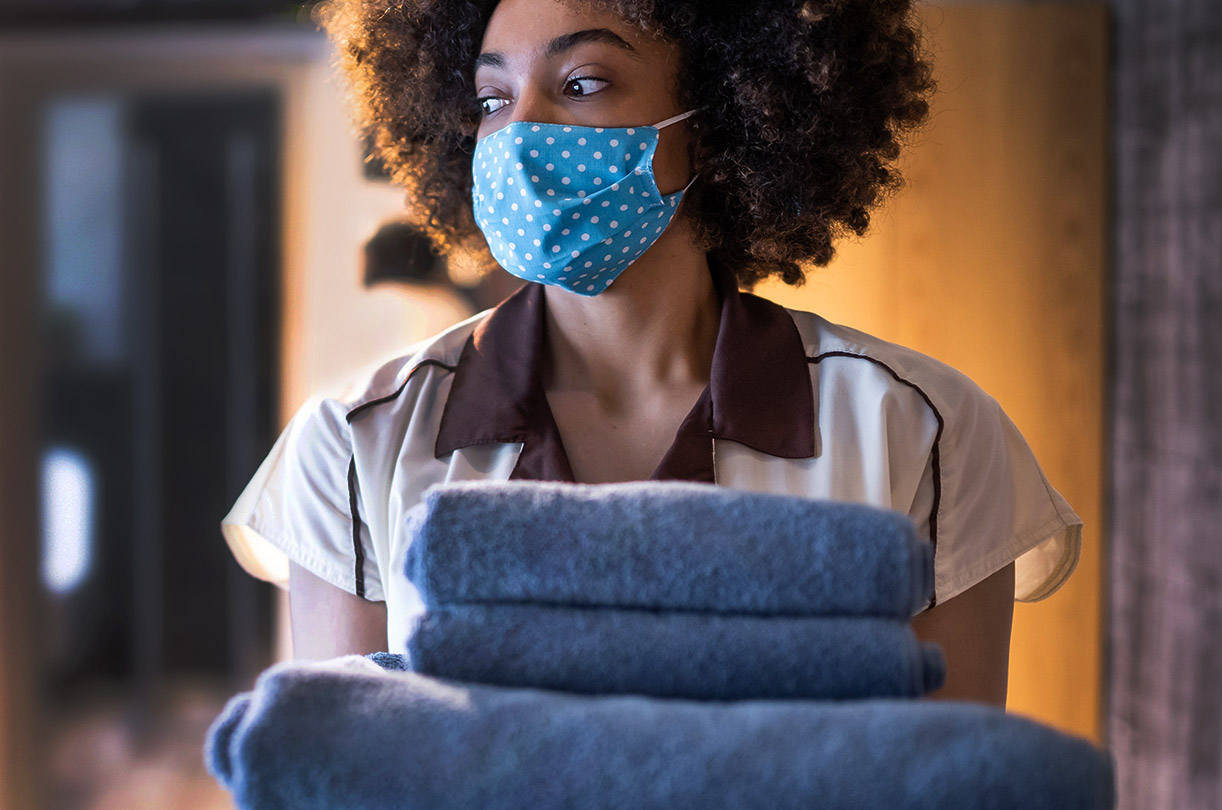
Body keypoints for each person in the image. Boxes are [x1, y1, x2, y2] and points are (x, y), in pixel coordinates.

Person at [220, 0, 1083, 708]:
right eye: (492, 100)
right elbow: (348, 776)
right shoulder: (352, 443)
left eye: (582, 83)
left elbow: (949, 782)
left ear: (723, 119)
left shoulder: (923, 432)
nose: (521, 134)